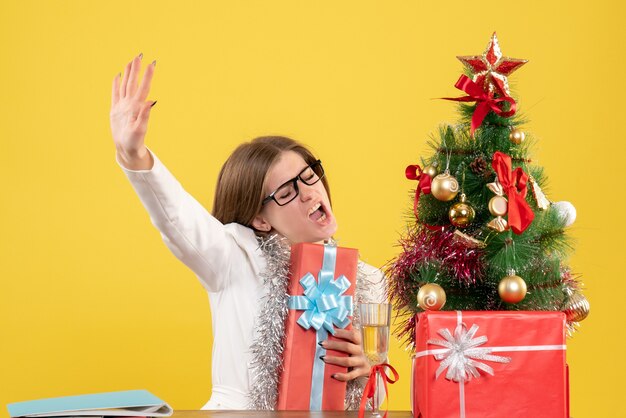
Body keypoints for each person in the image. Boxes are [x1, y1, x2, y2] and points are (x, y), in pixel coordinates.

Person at [109, 53, 385, 410]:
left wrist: (368, 370)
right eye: (287, 192)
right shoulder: (233, 256)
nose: (309, 193)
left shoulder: (367, 279)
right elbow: (178, 218)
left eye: (310, 175)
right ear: (260, 219)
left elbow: (376, 399)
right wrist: (135, 156)